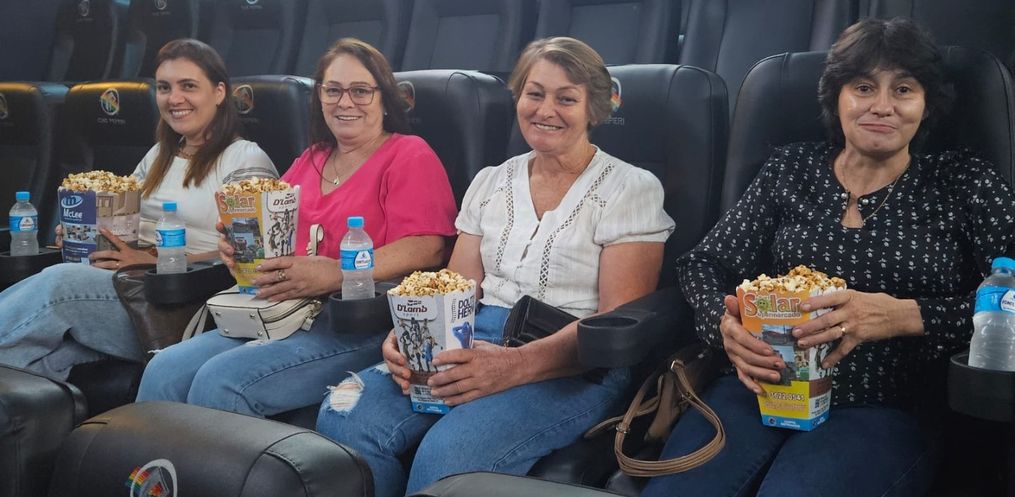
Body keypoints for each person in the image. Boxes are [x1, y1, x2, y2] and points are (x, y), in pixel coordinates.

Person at [642, 18, 1015, 497]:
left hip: (887, 405)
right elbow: (704, 264)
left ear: (927, 104)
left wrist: (906, 315)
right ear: (836, 97)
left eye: (903, 89)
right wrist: (724, 326)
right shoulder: (790, 169)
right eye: (863, 87)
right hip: (761, 386)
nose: (882, 106)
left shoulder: (963, 181)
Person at [315, 37, 676, 497]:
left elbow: (614, 324)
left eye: (566, 98)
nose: (545, 110)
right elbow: (455, 288)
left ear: (594, 109)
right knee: (344, 412)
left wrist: (514, 365)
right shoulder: (491, 180)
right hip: (472, 338)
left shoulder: (631, 188)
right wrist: (409, 334)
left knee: (449, 455)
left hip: (573, 362)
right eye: (534, 94)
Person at [135, 38, 458, 417]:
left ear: (384, 99)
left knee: (220, 382)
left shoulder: (409, 153)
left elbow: (428, 247)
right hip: (282, 311)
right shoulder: (312, 158)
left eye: (360, 91)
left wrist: (336, 272)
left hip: (358, 323)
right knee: (164, 369)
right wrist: (238, 246)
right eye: (332, 90)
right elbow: (269, 228)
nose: (345, 102)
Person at [0, 39, 277, 380]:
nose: (174, 98)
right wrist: (86, 234)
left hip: (182, 301)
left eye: (188, 86)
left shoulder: (244, 159)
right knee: (37, 360)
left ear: (219, 92)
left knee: (59, 283)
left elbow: (251, 260)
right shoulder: (159, 154)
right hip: (132, 283)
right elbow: (124, 222)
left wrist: (152, 260)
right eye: (164, 87)